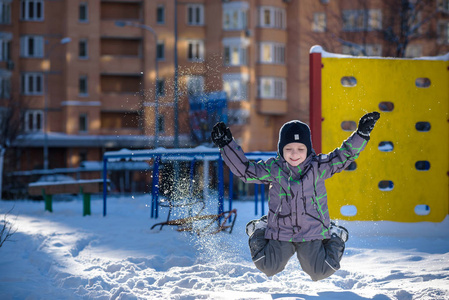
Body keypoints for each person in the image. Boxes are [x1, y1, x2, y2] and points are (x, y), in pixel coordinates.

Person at [211, 112, 380, 281]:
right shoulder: (274, 169)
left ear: (308, 150)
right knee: (268, 266)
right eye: (288, 149)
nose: (294, 154)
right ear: (281, 150)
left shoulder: (319, 167)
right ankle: (260, 229)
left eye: (300, 149)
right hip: (281, 230)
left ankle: (335, 234)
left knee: (320, 271)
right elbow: (246, 171)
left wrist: (361, 135)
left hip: (311, 230)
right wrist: (226, 145)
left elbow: (343, 155)